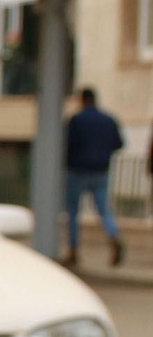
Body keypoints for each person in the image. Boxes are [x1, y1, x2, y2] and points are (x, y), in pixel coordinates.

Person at [64, 88, 124, 267]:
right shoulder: (108, 120)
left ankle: (73, 250)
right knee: (104, 210)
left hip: (78, 170)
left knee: (73, 212)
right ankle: (114, 235)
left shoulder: (77, 120)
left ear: (82, 100)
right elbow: (119, 143)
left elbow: (68, 144)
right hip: (100, 171)